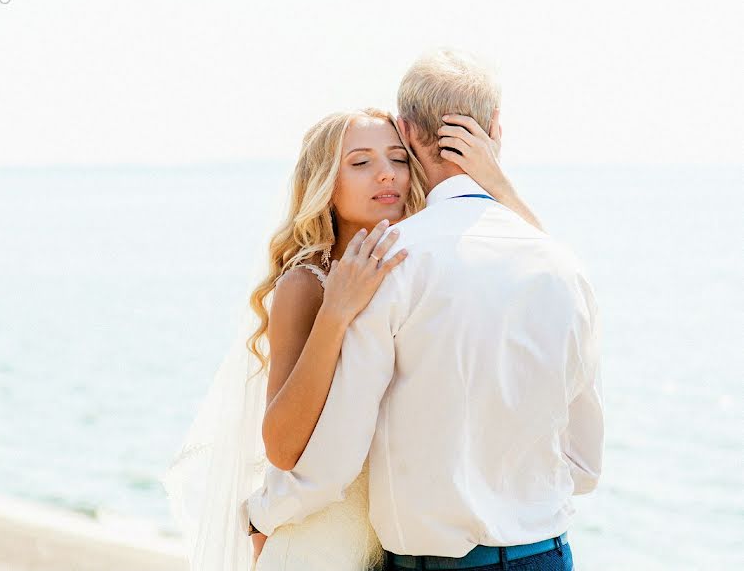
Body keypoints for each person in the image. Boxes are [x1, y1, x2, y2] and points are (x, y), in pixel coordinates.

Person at [241, 49, 603, 571]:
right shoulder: (561, 265)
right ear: (496, 130)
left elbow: (334, 458)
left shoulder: (400, 261)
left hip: (419, 554)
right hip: (541, 552)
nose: (387, 175)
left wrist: (265, 512)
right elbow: (584, 465)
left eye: (395, 157)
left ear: (410, 138)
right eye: (361, 162)